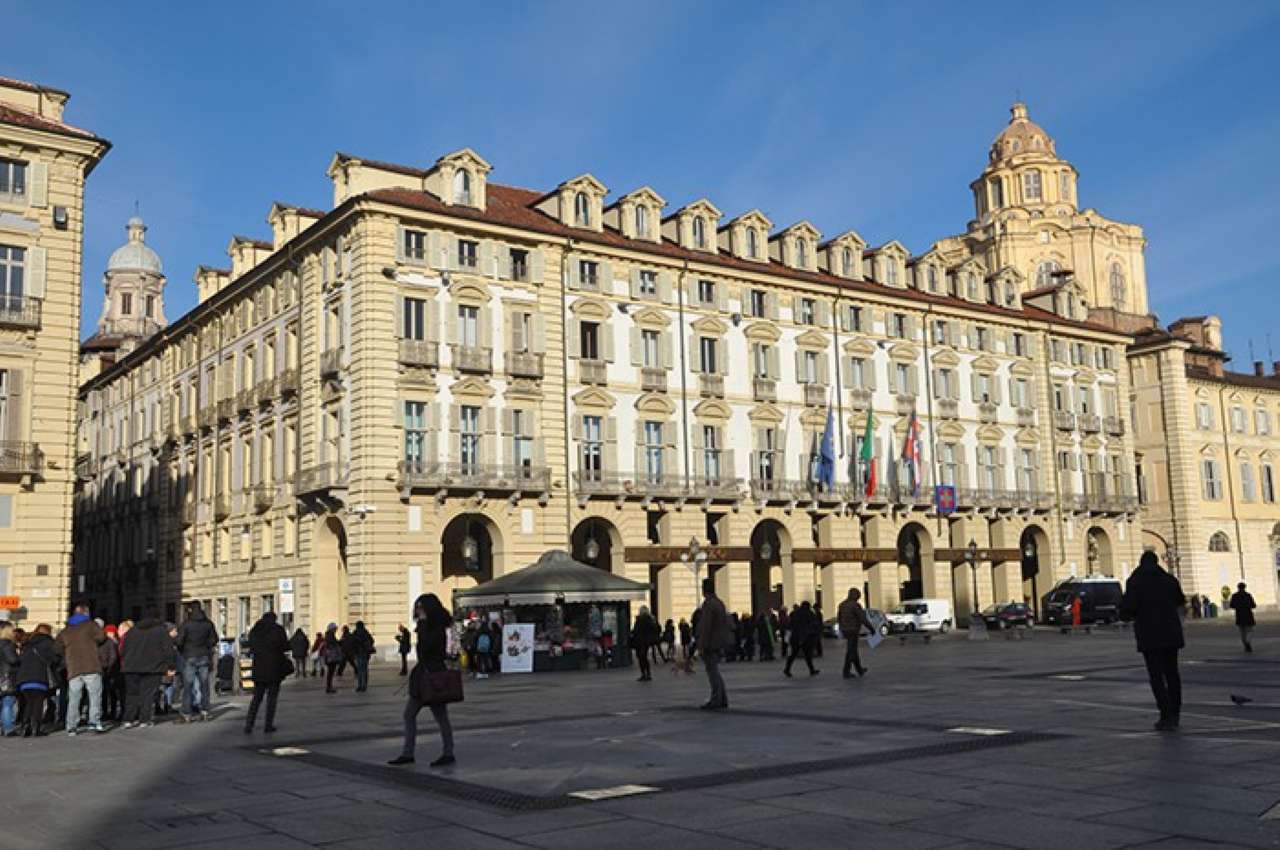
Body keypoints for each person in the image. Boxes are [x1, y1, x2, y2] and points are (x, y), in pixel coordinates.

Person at [1120, 551, 1186, 731]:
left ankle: (1165, 714)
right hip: (1171, 633)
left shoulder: (1135, 581)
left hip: (1149, 634)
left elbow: (1129, 608)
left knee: (1156, 676)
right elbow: (1180, 600)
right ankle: (1176, 711)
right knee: (1172, 674)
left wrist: (1126, 611)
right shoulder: (1169, 580)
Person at [389, 593, 455, 767]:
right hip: (424, 676)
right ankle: (408, 753)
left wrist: (423, 625)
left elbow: (426, 649)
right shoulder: (425, 626)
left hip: (433, 676)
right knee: (409, 714)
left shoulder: (435, 628)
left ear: (428, 608)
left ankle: (447, 752)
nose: (418, 611)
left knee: (440, 717)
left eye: (420, 607)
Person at [55, 601, 107, 735]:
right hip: (91, 666)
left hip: (73, 668)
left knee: (74, 698)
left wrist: (68, 655)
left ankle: (71, 725)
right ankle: (94, 722)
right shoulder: (91, 625)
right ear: (86, 613)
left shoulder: (66, 630)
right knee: (94, 696)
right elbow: (102, 637)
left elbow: (56, 648)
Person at [120, 612, 172, 728]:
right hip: (152, 667)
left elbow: (123, 649)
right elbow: (168, 649)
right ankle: (145, 719)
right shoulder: (160, 631)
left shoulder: (132, 631)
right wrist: (170, 666)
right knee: (147, 694)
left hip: (131, 667)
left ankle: (128, 719)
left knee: (131, 694)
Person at [244, 612, 290, 734]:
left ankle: (249, 724)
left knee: (257, 698)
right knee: (272, 698)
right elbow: (285, 646)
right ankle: (268, 725)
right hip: (274, 668)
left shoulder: (255, 630)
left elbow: (250, 646)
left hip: (259, 667)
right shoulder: (278, 630)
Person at [174, 601, 218, 722]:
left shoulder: (186, 624)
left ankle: (186, 713)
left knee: (188, 686)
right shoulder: (208, 623)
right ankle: (205, 711)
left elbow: (179, 641)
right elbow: (214, 639)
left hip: (189, 656)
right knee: (204, 685)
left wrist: (182, 650)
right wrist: (207, 647)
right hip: (204, 656)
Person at [695, 578, 731, 710]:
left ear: (704, 590)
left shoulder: (709, 604)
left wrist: (701, 645)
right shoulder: (719, 603)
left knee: (712, 672)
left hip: (710, 643)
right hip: (719, 641)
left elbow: (706, 627)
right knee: (715, 670)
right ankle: (722, 698)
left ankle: (716, 698)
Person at [17, 624, 57, 737]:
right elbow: (53, 659)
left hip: (24, 679)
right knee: (37, 704)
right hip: (38, 677)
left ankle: (25, 726)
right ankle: (36, 728)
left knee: (28, 703)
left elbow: (20, 659)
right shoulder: (48, 643)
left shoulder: (28, 644)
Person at [837, 588, 873, 679]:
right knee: (851, 651)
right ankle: (846, 671)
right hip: (853, 630)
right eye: (858, 595)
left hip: (845, 630)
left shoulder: (842, 605)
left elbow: (839, 618)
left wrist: (841, 628)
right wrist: (871, 629)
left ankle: (859, 669)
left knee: (853, 650)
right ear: (854, 595)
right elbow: (862, 618)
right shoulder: (855, 605)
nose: (858, 597)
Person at [783, 601, 820, 678]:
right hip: (805, 637)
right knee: (807, 655)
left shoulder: (794, 613)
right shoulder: (809, 614)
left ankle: (787, 669)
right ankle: (811, 670)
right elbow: (813, 625)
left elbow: (789, 625)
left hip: (795, 636)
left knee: (793, 654)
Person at [0, 623, 20, 736]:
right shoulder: (7, 645)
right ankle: (8, 728)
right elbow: (12, 660)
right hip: (6, 678)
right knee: (8, 702)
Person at [631, 606, 660, 682]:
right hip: (645, 641)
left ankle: (645, 674)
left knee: (642, 657)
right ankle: (646, 673)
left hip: (641, 641)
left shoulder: (643, 619)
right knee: (643, 657)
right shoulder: (649, 619)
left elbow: (636, 630)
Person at [101, 625, 123, 721]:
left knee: (106, 693)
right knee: (111, 693)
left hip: (106, 670)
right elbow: (114, 657)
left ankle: (106, 712)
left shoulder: (103, 642)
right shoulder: (114, 643)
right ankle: (112, 712)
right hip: (112, 670)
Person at [1228, 582, 1257, 653]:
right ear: (1244, 587)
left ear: (1238, 588)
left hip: (1239, 615)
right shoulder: (1248, 595)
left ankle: (1245, 644)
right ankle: (1248, 642)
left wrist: (1238, 606)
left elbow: (1231, 605)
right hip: (1248, 615)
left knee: (1242, 632)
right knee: (1250, 630)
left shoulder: (1235, 596)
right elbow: (1253, 605)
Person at [351, 621, 375, 691]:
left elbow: (352, 643)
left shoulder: (355, 633)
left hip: (358, 653)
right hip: (365, 653)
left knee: (359, 670)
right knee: (364, 670)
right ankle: (364, 685)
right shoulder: (365, 633)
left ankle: (359, 685)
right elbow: (372, 640)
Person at [322, 624, 343, 693]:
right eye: (335, 629)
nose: (336, 630)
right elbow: (333, 644)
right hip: (331, 656)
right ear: (332, 629)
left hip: (329, 656)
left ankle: (329, 687)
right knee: (330, 672)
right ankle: (329, 687)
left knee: (330, 673)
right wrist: (339, 642)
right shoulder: (330, 636)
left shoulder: (328, 635)